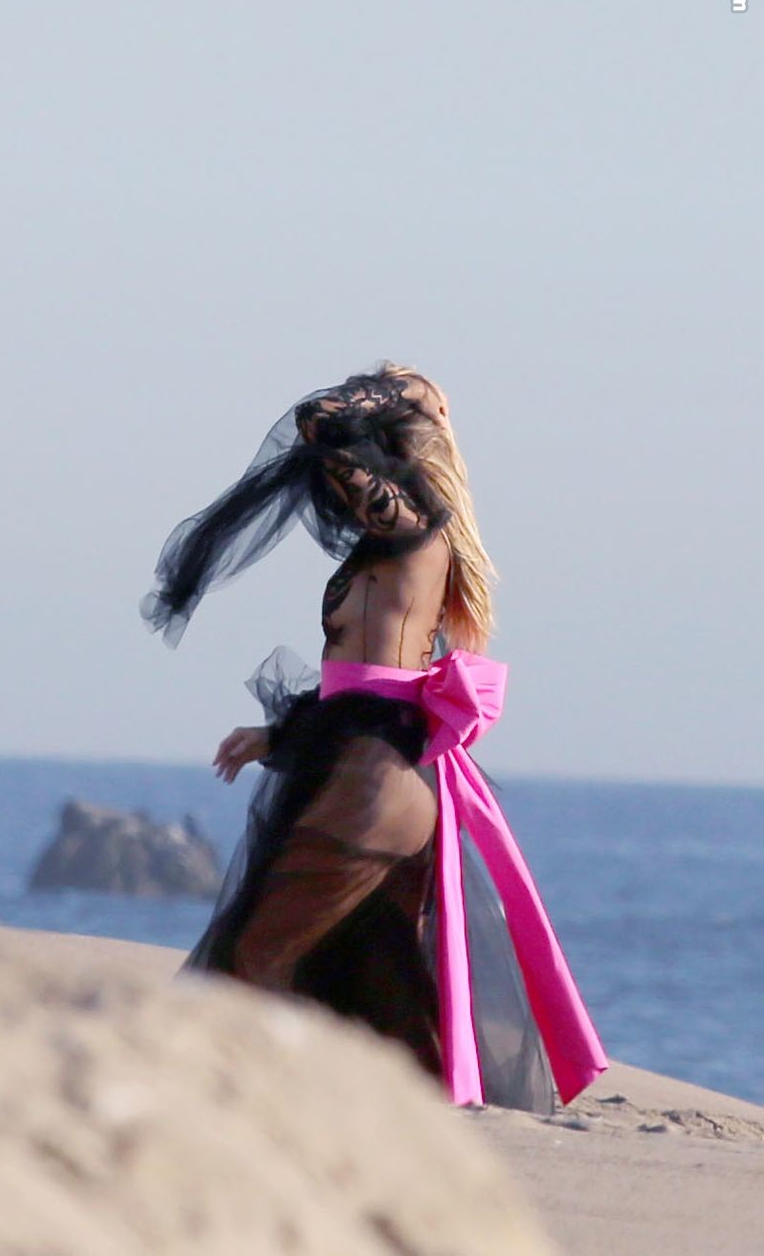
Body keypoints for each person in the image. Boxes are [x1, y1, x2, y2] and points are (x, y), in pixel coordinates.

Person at [142, 365, 607, 1112]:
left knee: (255, 952)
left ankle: (208, 1106)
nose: (343, 482)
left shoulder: (417, 527)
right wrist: (274, 734)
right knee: (381, 978)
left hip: (374, 775)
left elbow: (320, 424)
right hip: (369, 765)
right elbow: (357, 679)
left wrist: (405, 394)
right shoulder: (382, 545)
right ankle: (410, 1136)